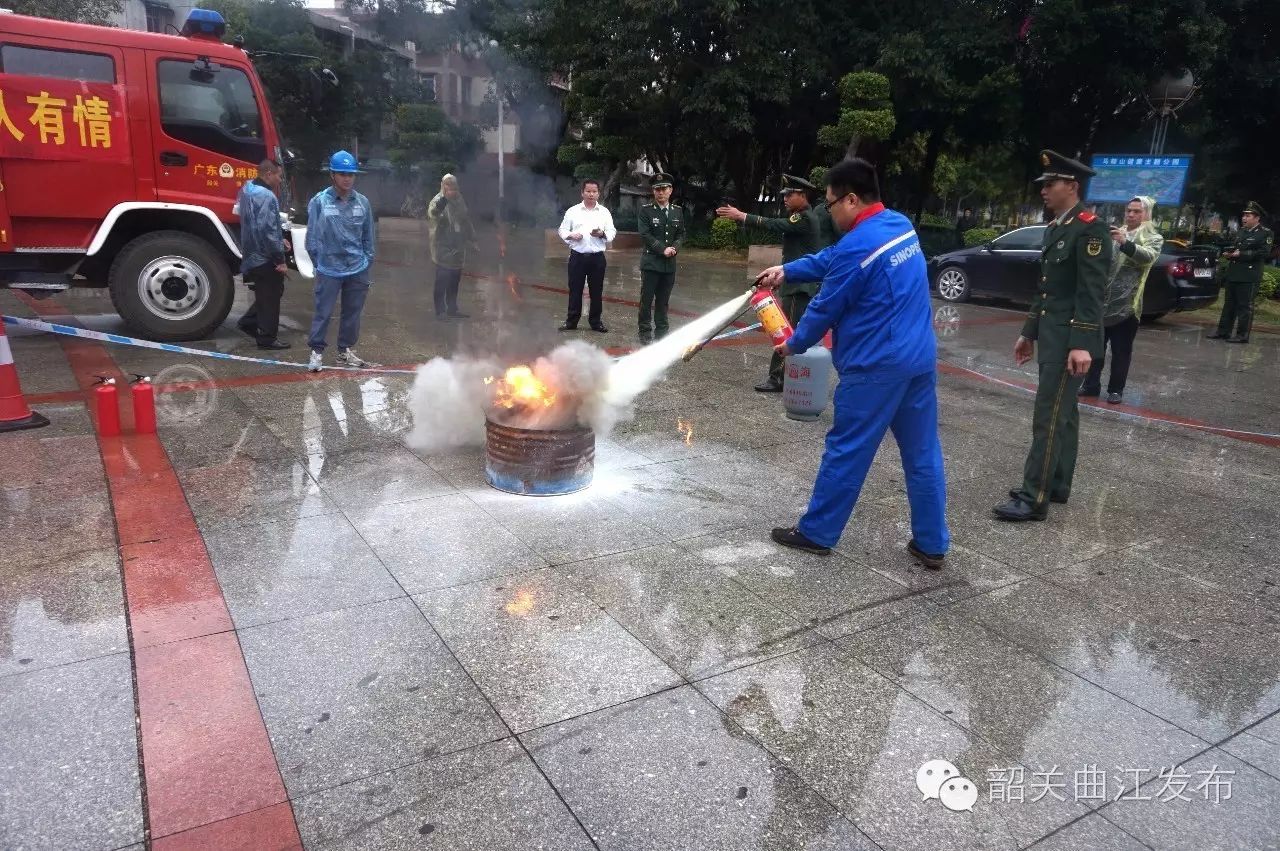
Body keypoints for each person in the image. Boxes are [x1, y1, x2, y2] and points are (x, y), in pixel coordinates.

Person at [756, 158, 949, 569]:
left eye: (830, 204)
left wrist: (793, 344)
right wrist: (786, 271)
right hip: (918, 360)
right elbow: (834, 258)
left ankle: (817, 532)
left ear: (852, 199)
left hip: (877, 366)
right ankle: (932, 543)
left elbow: (825, 304)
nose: (828, 211)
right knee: (923, 453)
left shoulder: (860, 244)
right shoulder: (898, 225)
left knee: (847, 449)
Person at [993, 150, 1109, 522]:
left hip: (1069, 339)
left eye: (1051, 184)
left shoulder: (1090, 228)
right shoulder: (1058, 227)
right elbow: (1046, 290)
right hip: (1052, 334)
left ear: (1072, 186)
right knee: (1066, 413)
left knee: (1049, 414)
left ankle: (1033, 496)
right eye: (1043, 184)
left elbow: (1091, 292)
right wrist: (1028, 332)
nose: (1044, 190)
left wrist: (1081, 343)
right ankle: (1056, 483)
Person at [718, 174, 824, 392]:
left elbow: (774, 225)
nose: (785, 198)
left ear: (803, 196)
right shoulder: (802, 216)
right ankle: (785, 376)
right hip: (796, 283)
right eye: (784, 194)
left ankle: (778, 379)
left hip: (799, 288)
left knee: (784, 331)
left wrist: (742, 216)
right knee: (789, 331)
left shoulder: (803, 217)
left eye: (790, 194)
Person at [1080, 195, 1163, 403]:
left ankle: (1115, 390)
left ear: (1147, 214)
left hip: (1128, 307)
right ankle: (1090, 385)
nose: (1132, 214)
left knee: (1121, 351)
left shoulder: (1153, 238)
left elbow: (1147, 257)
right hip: (1103, 303)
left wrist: (1126, 243)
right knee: (1096, 348)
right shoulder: (1115, 234)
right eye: (1129, 210)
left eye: (1137, 211)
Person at [305, 150, 377, 372]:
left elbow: (368, 236)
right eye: (342, 174)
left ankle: (345, 350)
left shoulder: (362, 203)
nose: (348, 178)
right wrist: (319, 263)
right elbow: (312, 238)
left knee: (352, 312)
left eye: (351, 174)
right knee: (323, 311)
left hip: (357, 267)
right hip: (329, 267)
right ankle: (316, 352)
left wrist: (367, 259)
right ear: (332, 175)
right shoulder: (320, 202)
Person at [234, 159, 290, 350]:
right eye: (278, 175)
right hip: (265, 256)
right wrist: (279, 259)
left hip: (251, 252)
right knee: (271, 296)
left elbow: (255, 223)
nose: (279, 180)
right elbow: (267, 229)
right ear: (268, 174)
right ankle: (267, 338)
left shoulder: (247, 189)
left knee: (267, 293)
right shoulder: (267, 196)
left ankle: (250, 321)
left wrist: (279, 238)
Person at [1208, 201, 1274, 344]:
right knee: (1229, 304)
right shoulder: (1242, 231)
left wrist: (1242, 254)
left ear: (1257, 218)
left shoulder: (1265, 233)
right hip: (1234, 272)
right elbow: (1236, 247)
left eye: (1248, 215)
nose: (1244, 218)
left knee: (1245, 306)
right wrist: (1230, 253)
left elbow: (1264, 253)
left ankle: (1242, 335)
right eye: (1244, 215)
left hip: (1249, 275)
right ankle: (1223, 331)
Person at [557, 178, 616, 332]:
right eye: (588, 191)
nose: (591, 194)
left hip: (597, 258)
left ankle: (596, 322)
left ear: (598, 193)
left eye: (594, 191)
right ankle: (571, 321)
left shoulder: (604, 212)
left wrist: (602, 234)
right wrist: (571, 235)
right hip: (577, 256)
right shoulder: (573, 211)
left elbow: (612, 232)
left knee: (596, 291)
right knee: (575, 290)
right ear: (582, 193)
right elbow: (562, 230)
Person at [636, 173, 685, 344]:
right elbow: (645, 234)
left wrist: (675, 248)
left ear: (671, 190)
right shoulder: (646, 211)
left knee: (663, 302)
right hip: (651, 264)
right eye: (657, 189)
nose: (660, 192)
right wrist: (662, 249)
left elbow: (681, 234)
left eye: (664, 189)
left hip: (669, 266)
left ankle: (662, 332)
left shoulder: (677, 212)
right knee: (646, 300)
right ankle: (644, 331)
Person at [427, 173, 477, 321]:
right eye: (449, 189)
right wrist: (443, 201)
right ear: (443, 187)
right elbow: (433, 214)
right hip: (442, 244)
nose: (452, 192)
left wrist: (473, 239)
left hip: (457, 245)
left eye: (454, 188)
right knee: (442, 278)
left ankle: (452, 308)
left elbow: (465, 220)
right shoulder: (437, 201)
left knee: (455, 279)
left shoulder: (459, 200)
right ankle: (440, 311)